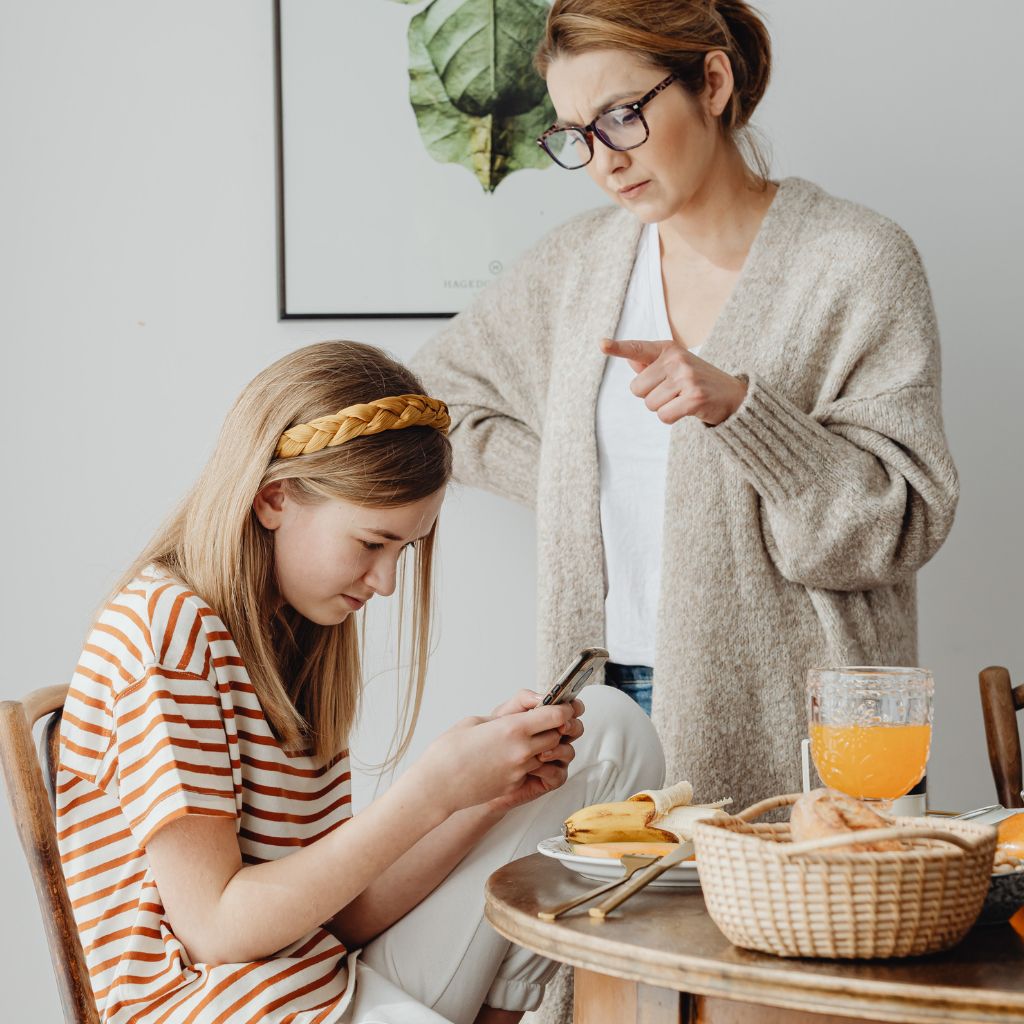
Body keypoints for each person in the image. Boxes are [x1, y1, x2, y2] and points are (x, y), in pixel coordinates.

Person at [411, 0, 959, 813]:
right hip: (603, 697)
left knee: (786, 933)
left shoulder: (855, 261)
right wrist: (579, 481)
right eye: (574, 134)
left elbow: (896, 527)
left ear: (712, 79)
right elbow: (434, 400)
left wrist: (743, 412)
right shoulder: (579, 267)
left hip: (793, 711)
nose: (603, 161)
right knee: (609, 933)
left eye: (621, 116)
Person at [55, 341, 665, 1024]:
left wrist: (482, 801)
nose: (386, 582)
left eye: (405, 549)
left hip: (317, 977)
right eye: (372, 544)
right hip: (213, 1006)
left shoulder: (296, 635)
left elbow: (338, 919)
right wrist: (430, 793)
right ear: (274, 498)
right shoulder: (164, 629)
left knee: (612, 729)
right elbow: (216, 932)